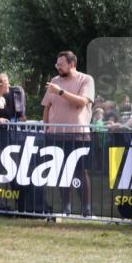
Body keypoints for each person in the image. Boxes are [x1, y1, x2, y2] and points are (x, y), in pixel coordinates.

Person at [42, 51, 95, 216]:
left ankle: (86, 210)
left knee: (80, 171)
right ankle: (66, 209)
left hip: (78, 134)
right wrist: (46, 126)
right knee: (61, 171)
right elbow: (47, 106)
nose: (58, 67)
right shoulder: (55, 81)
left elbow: (81, 102)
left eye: (61, 64)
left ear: (72, 64)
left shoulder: (85, 79)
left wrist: (60, 92)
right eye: (57, 64)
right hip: (55, 134)